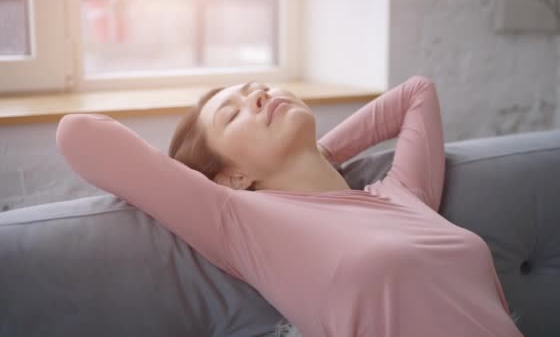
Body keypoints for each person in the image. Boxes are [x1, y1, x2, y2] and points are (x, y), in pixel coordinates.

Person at [56, 76, 523, 337]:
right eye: (233, 113)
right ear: (232, 176)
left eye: (257, 86)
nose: (260, 94)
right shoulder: (240, 220)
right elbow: (79, 134)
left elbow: (417, 93)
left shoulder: (403, 194)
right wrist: (313, 156)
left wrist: (320, 153)